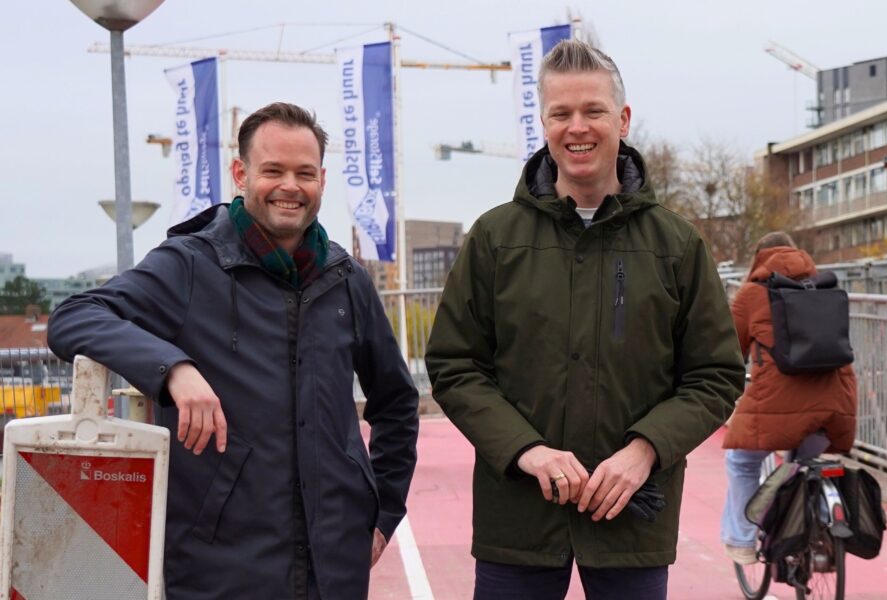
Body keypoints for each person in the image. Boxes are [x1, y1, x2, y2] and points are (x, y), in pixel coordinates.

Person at [47, 102, 420, 600]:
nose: (290, 186)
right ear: (240, 173)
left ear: (322, 181)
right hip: (219, 569)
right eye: (273, 171)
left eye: (304, 173)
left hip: (333, 569)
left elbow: (396, 402)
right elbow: (73, 317)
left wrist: (382, 514)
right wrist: (172, 369)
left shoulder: (346, 279)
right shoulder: (189, 266)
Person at [425, 39, 744, 600]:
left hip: (632, 514)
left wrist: (643, 451)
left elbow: (715, 375)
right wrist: (526, 450)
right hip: (518, 518)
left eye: (593, 110)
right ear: (543, 123)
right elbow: (455, 365)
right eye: (561, 113)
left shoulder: (676, 244)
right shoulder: (495, 239)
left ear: (621, 118)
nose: (578, 127)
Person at [718, 232, 858, 564]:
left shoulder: (752, 294)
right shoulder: (825, 288)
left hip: (776, 403)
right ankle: (823, 521)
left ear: (759, 258)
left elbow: (727, 350)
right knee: (804, 460)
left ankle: (741, 540)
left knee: (742, 461)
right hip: (836, 404)